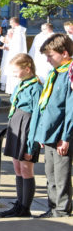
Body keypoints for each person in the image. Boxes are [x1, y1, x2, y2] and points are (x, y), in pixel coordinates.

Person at [29, 34, 73, 218]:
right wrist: (41, 133)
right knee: (50, 174)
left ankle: (62, 209)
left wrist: (66, 137)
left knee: (61, 175)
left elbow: (70, 109)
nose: (47, 60)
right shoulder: (54, 73)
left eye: (50, 55)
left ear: (64, 53)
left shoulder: (69, 73)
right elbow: (44, 105)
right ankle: (53, 206)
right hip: (48, 133)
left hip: (61, 134)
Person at [0, 53, 42, 218]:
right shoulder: (20, 84)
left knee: (26, 168)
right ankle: (19, 203)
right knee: (17, 167)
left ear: (27, 69)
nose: (14, 74)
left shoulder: (36, 87)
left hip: (27, 127)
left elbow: (37, 115)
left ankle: (25, 207)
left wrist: (32, 144)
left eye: (16, 71)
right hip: (16, 125)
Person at [1, 17, 27, 94]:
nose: (10, 25)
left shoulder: (19, 31)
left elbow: (17, 44)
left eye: (11, 23)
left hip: (15, 54)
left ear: (14, 22)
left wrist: (11, 39)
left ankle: (15, 89)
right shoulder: (15, 30)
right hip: (11, 53)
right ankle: (10, 89)